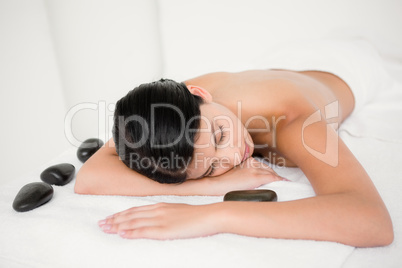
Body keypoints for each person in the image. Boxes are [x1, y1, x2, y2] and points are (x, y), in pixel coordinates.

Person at [75, 43, 393, 247]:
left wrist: (214, 214)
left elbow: (371, 220)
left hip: (351, 63)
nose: (231, 157)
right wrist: (206, 187)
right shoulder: (173, 111)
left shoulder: (289, 120)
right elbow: (90, 176)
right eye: (212, 167)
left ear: (200, 93)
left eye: (220, 136)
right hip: (279, 64)